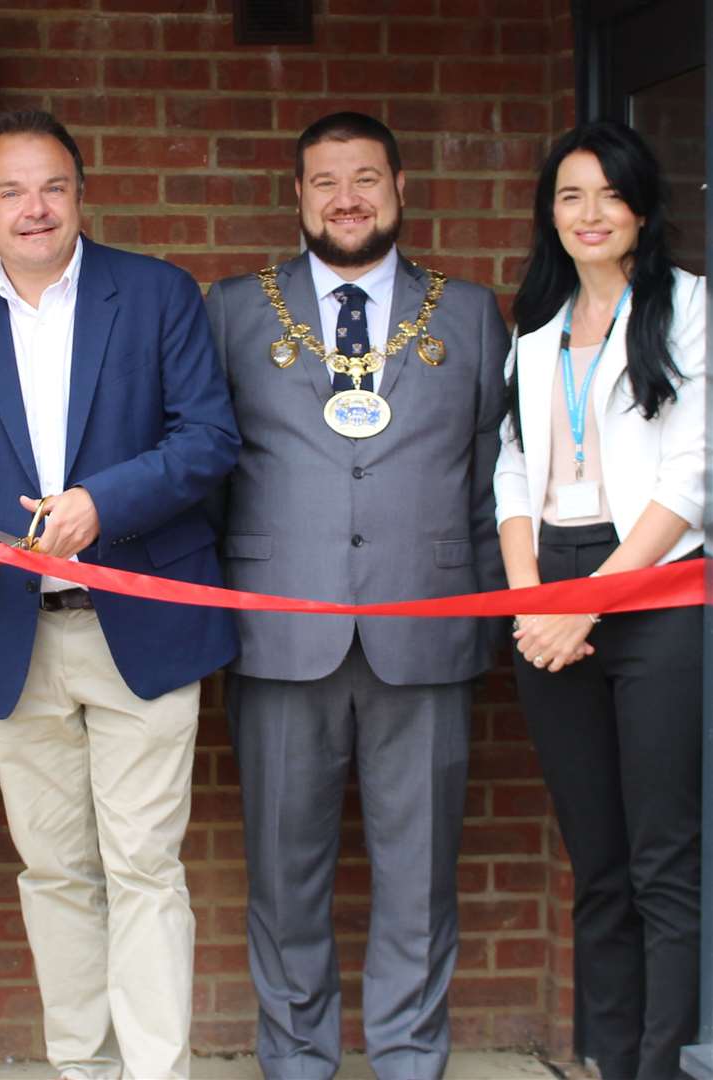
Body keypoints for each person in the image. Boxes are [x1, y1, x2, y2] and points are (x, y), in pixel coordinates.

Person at [0, 109, 240, 1080]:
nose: (34, 207)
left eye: (51, 185)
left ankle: (154, 1071)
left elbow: (207, 440)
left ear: (80, 194)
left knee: (143, 868)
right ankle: (81, 1069)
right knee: (53, 872)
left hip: (143, 624)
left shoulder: (158, 293)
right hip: (18, 635)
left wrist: (102, 504)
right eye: (9, 191)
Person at [205, 112, 508, 1080]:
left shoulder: (466, 314)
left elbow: (491, 479)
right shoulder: (233, 312)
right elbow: (206, 478)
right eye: (326, 181)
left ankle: (410, 1058)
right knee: (284, 879)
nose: (347, 198)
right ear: (297, 196)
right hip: (280, 635)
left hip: (425, 634)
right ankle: (297, 1060)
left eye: (366, 178)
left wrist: (487, 614)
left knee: (420, 877)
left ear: (400, 188)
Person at [494, 120, 704, 1080]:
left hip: (658, 584)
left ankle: (663, 1066)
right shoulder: (533, 334)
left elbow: (692, 478)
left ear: (642, 209)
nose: (589, 213)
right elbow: (509, 472)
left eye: (608, 195)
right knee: (598, 863)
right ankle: (609, 1062)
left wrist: (594, 601)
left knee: (663, 862)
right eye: (570, 195)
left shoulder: (692, 308)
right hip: (553, 586)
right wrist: (534, 598)